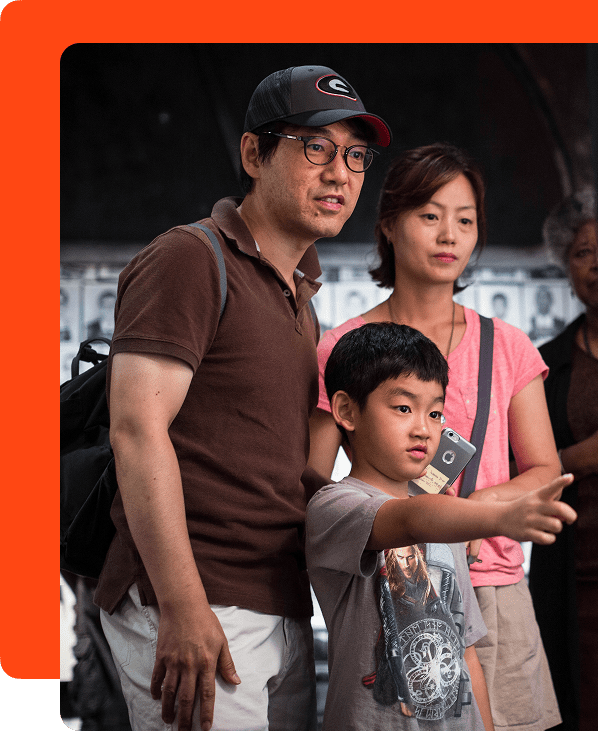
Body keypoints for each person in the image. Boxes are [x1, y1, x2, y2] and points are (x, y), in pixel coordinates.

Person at [94, 64, 391, 731]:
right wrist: (182, 602)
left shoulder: (301, 297)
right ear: (254, 154)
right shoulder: (192, 259)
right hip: (201, 602)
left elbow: (277, 471)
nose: (340, 172)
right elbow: (137, 430)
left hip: (279, 605)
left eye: (355, 155)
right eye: (315, 147)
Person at [308, 143, 565, 731]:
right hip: (392, 586)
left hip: (493, 586)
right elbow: (314, 477)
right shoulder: (344, 349)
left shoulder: (509, 346)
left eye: (466, 219)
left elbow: (543, 470)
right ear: (389, 224)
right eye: (430, 214)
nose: (450, 233)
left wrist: (474, 514)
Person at [306, 322, 576, 730]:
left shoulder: (445, 523)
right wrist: (499, 515)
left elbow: (467, 652)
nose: (424, 428)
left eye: (435, 412)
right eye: (403, 408)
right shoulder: (336, 507)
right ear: (346, 411)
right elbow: (411, 520)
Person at [528, 188, 598, 731]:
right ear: (566, 266)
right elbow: (519, 473)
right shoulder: (545, 367)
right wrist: (578, 458)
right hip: (580, 576)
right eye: (583, 252)